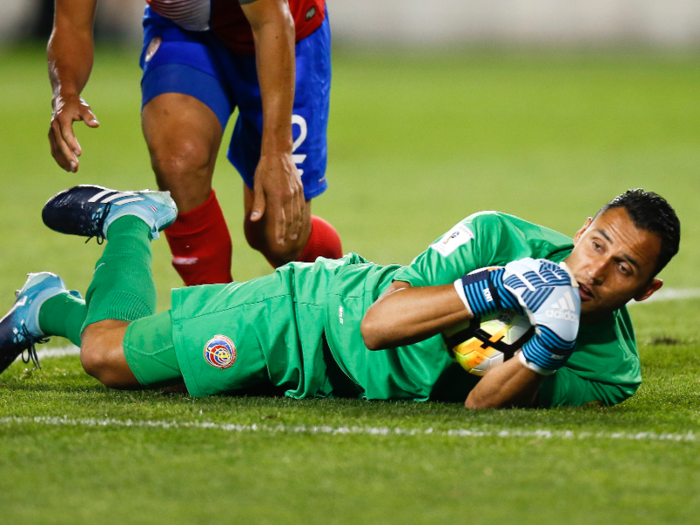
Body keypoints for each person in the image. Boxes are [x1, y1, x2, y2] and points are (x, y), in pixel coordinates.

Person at [0, 185, 680, 408]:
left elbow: (481, 400)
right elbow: (382, 326)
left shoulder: (609, 371)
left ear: (644, 290)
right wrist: (499, 284)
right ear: (583, 227)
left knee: (140, 367)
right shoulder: (499, 236)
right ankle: (128, 220)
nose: (595, 271)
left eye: (623, 269)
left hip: (334, 382)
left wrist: (548, 347)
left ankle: (42, 303)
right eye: (597, 244)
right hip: (310, 317)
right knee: (106, 357)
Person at [47, 0, 342, 286]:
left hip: (282, 32)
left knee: (278, 238)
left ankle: (344, 286)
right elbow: (72, 23)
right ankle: (220, 320)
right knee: (177, 161)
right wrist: (66, 94)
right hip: (186, 30)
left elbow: (270, 20)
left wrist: (278, 151)